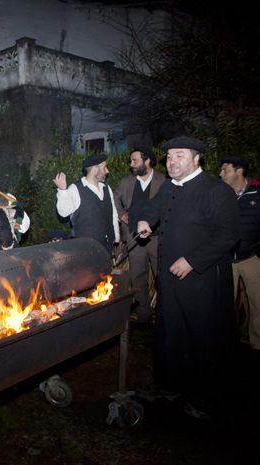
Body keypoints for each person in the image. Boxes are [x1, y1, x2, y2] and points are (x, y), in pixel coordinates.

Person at [137, 136, 240, 420]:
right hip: (170, 281)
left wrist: (193, 261)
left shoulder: (216, 191)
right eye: (169, 157)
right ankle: (169, 385)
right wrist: (145, 221)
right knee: (171, 332)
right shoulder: (169, 187)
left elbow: (229, 234)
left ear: (197, 159)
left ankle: (206, 397)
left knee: (202, 337)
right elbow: (152, 209)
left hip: (202, 282)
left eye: (179, 156)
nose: (172, 162)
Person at [113, 149, 166, 324]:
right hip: (134, 237)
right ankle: (144, 313)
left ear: (147, 161)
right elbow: (115, 197)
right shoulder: (127, 182)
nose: (131, 165)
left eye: (134, 161)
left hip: (157, 238)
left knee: (162, 275)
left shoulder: (163, 181)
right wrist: (121, 214)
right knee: (137, 276)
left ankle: (164, 313)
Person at [219, 156, 260, 350]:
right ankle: (226, 344)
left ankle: (257, 344)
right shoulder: (220, 195)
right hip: (226, 259)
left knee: (258, 303)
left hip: (252, 258)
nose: (220, 173)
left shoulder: (257, 193)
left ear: (239, 171)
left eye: (225, 169)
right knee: (223, 305)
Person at [53, 154, 120, 254]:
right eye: (105, 167)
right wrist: (62, 190)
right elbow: (63, 212)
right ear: (95, 169)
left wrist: (116, 237)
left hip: (106, 247)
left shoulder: (106, 188)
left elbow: (113, 214)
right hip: (85, 250)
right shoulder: (76, 189)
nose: (107, 171)